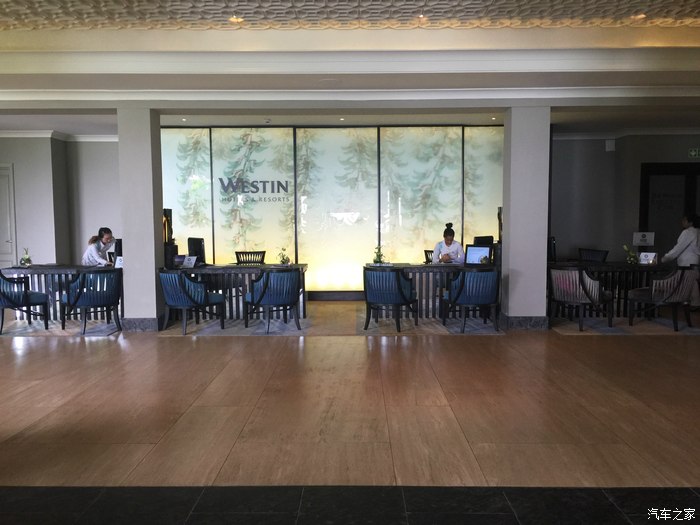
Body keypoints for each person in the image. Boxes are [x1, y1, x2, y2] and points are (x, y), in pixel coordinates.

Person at [661, 212, 700, 308]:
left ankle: (677, 302)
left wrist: (665, 258)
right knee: (692, 283)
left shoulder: (688, 232)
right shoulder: (698, 232)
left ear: (690, 222)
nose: (682, 222)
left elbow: (678, 248)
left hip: (686, 263)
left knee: (682, 283)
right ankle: (695, 303)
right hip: (695, 262)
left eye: (684, 220)